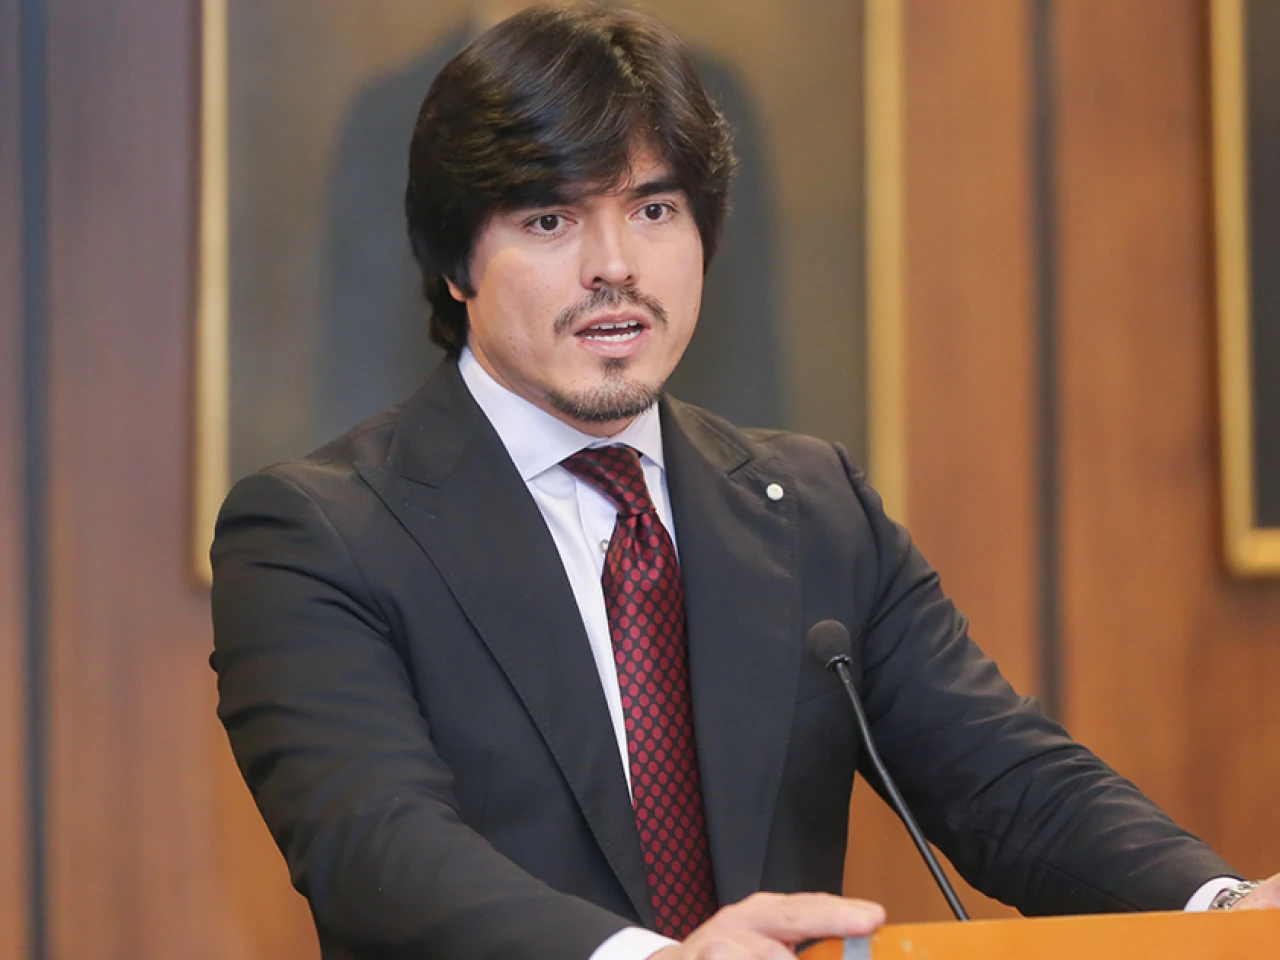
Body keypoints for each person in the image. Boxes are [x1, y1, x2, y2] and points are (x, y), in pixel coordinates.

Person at [209, 5, 1280, 959]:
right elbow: (376, 848)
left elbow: (1006, 781)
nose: (614, 264)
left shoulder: (812, 505)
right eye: (550, 219)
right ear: (454, 263)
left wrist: (1222, 908)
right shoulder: (316, 533)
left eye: (653, 210)